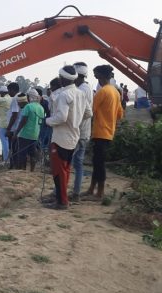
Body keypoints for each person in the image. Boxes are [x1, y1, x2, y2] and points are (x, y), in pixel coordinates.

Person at [44, 65, 92, 210]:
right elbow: (89, 113)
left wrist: (47, 121)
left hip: (61, 138)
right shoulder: (80, 93)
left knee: (59, 171)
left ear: (63, 79)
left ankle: (62, 202)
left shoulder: (64, 95)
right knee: (65, 169)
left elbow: (61, 117)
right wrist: (75, 121)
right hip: (74, 136)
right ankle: (61, 199)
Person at [83, 65, 124, 200]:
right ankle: (91, 189)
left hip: (100, 132)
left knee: (99, 164)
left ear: (100, 76)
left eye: (96, 75)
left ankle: (99, 193)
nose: (95, 78)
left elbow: (90, 111)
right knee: (97, 162)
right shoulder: (115, 92)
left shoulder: (102, 92)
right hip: (108, 132)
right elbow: (119, 115)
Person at [70, 62, 94, 202]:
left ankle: (60, 192)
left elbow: (84, 112)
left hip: (78, 132)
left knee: (67, 162)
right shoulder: (86, 88)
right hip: (82, 132)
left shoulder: (83, 90)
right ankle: (76, 193)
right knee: (77, 163)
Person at [12, 89, 45, 171]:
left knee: (22, 153)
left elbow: (23, 121)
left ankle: (22, 169)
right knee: (32, 153)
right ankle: (32, 170)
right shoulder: (41, 107)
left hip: (25, 134)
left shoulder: (28, 106)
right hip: (35, 134)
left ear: (29, 97)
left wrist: (16, 133)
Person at [4, 82, 21, 166]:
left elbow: (14, 115)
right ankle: (15, 164)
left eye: (9, 90)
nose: (8, 92)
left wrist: (8, 128)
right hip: (17, 127)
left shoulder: (15, 99)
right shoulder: (20, 97)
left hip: (13, 128)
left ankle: (13, 165)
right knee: (15, 147)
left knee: (12, 147)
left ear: (13, 90)